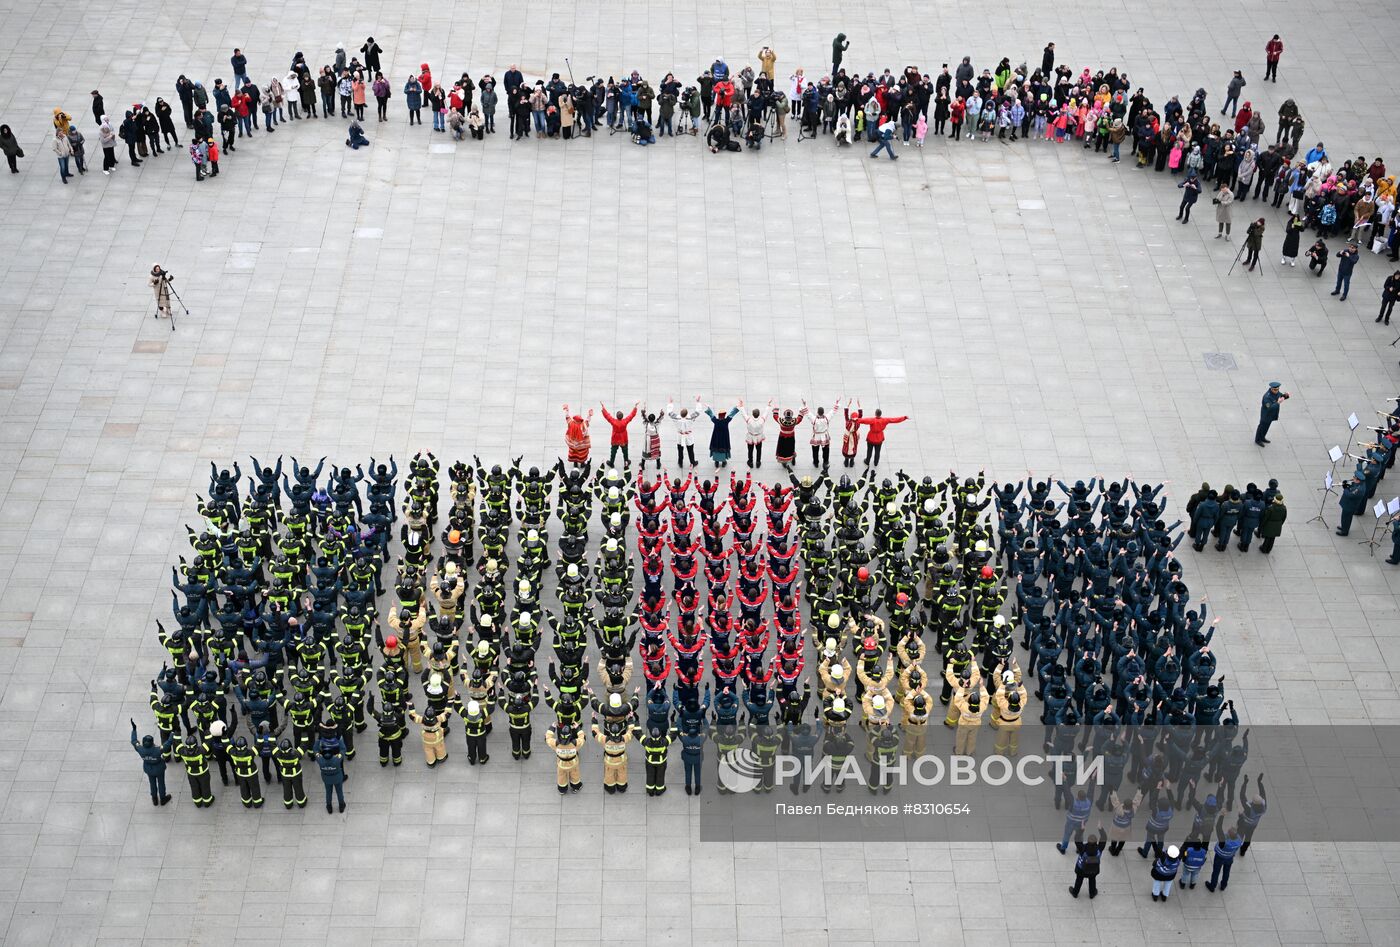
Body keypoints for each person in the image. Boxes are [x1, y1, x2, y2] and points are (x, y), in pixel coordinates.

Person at [130, 719, 172, 805]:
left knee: (152, 784)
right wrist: (172, 734)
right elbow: (168, 743)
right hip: (159, 769)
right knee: (161, 783)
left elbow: (134, 741)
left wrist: (134, 729)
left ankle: (154, 799)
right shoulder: (157, 750)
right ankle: (163, 798)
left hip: (149, 769)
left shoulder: (140, 749)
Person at [1204, 814, 1243, 891]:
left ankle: (1212, 886)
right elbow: (1241, 827)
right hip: (1229, 858)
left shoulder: (1223, 841)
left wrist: (1222, 815)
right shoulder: (1239, 839)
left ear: (1228, 834)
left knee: (1216, 872)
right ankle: (1223, 885)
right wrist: (1240, 817)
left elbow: (1218, 828)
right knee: (1226, 871)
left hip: (1220, 857)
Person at [1069, 823, 1107, 899]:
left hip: (1081, 869)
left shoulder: (1082, 849)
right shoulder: (1099, 849)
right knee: (1092, 880)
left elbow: (1077, 838)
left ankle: (1075, 892)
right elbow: (1104, 837)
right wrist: (1100, 829)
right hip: (1093, 869)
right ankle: (1092, 893)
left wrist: (1082, 829)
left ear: (1088, 841)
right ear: (1096, 842)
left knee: (1079, 880)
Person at [317, 745, 347, 813]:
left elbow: (315, 749)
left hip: (326, 780)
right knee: (339, 792)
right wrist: (340, 739)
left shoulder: (320, 760)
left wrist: (319, 740)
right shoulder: (336, 759)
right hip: (337, 779)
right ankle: (341, 806)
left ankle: (329, 806)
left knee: (328, 793)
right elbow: (343, 749)